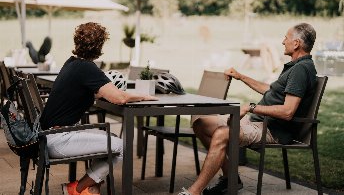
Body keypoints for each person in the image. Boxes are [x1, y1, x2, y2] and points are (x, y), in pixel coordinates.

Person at [180, 23, 317, 195]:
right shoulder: (297, 67)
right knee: (201, 123)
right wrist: (240, 76)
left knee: (222, 133)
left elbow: (287, 112)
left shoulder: (300, 70)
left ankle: (194, 192)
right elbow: (271, 90)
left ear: (296, 43)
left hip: (272, 130)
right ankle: (231, 178)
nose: (283, 42)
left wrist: (252, 107)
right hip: (260, 122)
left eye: (286, 38)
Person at [40, 22, 157, 195]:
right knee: (122, 146)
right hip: (57, 139)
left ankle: (92, 188)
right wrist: (144, 96)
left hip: (47, 135)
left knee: (111, 138)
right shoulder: (87, 68)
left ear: (77, 42)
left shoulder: (72, 63)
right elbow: (120, 97)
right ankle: (77, 189)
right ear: (100, 46)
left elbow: (83, 90)